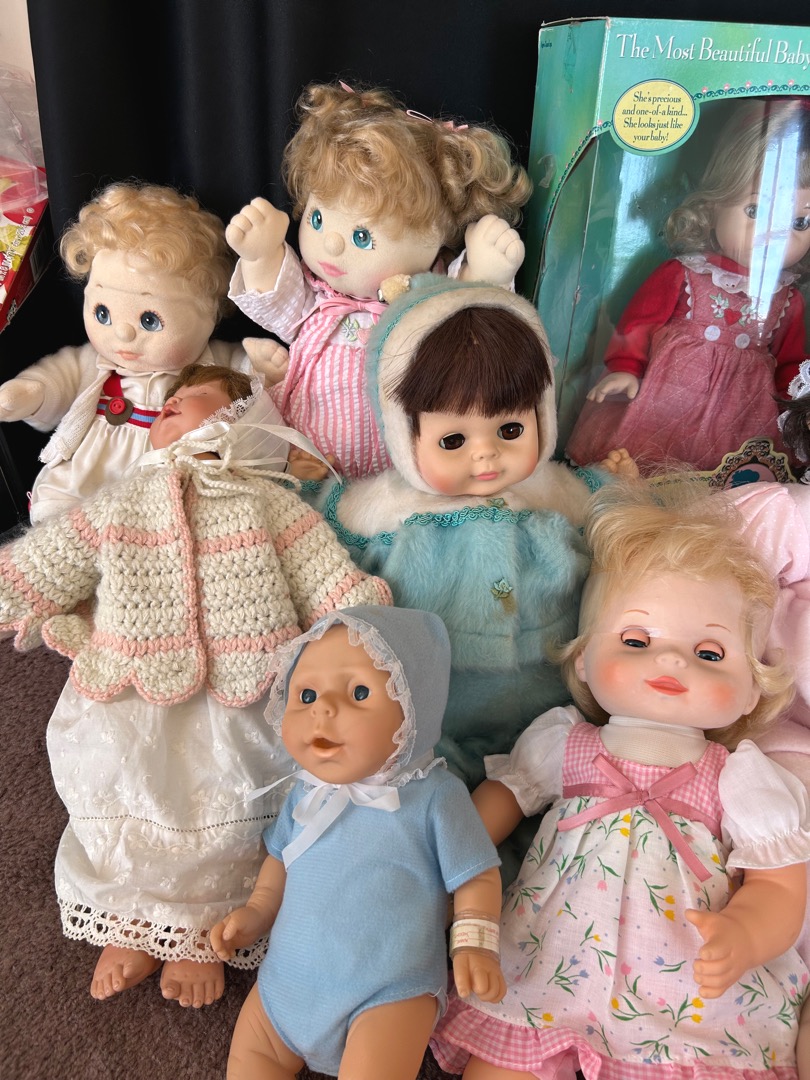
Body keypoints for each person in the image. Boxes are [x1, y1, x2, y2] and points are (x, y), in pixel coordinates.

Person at [0, 363, 391, 1008]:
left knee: (229, 798)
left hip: (242, 691)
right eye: (169, 398)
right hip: (130, 687)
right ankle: (130, 920)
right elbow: (49, 560)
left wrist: (368, 628)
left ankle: (206, 927)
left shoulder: (266, 501)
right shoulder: (123, 499)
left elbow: (322, 575)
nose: (170, 404)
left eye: (192, 397)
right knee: (123, 782)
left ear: (240, 420)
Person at [430, 480, 810, 1078]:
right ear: (584, 660)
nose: (671, 660)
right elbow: (493, 809)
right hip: (548, 960)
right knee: (503, 1064)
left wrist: (745, 933)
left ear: (750, 693)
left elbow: (782, 885)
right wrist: (443, 867)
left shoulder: (738, 777)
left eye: (710, 654)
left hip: (681, 990)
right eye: (636, 640)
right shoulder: (564, 741)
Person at [317, 274, 634, 789]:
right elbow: (321, 542)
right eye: (453, 440)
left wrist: (620, 487)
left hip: (549, 705)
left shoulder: (556, 492)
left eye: (510, 430)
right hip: (433, 711)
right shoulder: (387, 506)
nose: (486, 454)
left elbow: (614, 521)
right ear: (403, 433)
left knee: (555, 777)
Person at [210, 605, 506, 1080]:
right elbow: (281, 861)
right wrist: (257, 912)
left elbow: (476, 873)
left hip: (386, 994)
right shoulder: (306, 792)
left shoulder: (434, 795)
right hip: (283, 987)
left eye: (359, 692)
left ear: (415, 707)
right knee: (251, 1059)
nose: (322, 710)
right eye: (306, 694)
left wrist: (474, 945)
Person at [227, 79, 532, 479]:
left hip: (403, 472)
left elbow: (463, 322)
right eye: (317, 218)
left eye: (362, 237)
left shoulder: (424, 298)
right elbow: (279, 306)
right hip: (308, 457)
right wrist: (262, 256)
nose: (331, 244)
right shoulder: (319, 299)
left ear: (437, 236)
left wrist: (484, 275)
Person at [0, 181, 288, 521]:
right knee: (59, 517)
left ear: (208, 311)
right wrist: (31, 394)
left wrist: (263, 372)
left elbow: (248, 399)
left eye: (150, 320)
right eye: (102, 314)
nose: (122, 334)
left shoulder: (211, 368)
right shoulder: (95, 363)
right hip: (84, 480)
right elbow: (59, 378)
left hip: (163, 491)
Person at [566, 97, 810, 475]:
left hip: (745, 412)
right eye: (756, 211)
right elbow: (638, 325)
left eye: (799, 223)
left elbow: (792, 364)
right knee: (645, 464)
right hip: (671, 399)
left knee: (737, 475)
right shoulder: (687, 273)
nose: (775, 236)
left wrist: (799, 405)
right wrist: (625, 367)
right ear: (713, 208)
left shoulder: (788, 298)